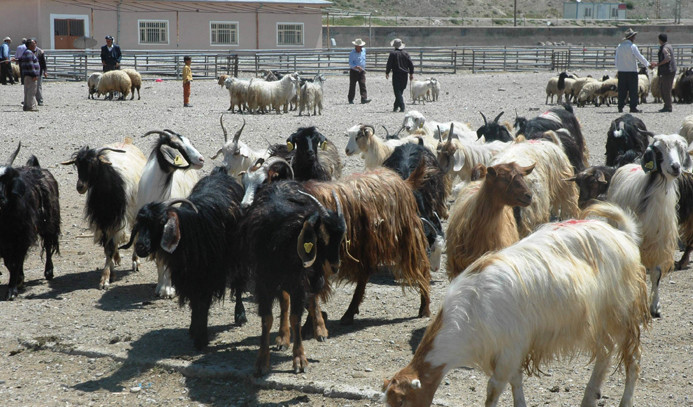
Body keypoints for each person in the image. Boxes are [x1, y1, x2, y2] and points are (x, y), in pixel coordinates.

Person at [615, 28, 650, 113]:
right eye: (634, 36)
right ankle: (633, 107)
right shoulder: (632, 47)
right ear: (631, 37)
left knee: (622, 90)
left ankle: (620, 106)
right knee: (633, 90)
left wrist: (619, 68)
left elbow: (616, 59)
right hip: (632, 71)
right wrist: (648, 65)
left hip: (622, 72)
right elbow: (639, 57)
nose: (635, 38)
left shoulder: (619, 46)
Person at [385, 38, 414, 113]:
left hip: (396, 74)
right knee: (400, 91)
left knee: (397, 91)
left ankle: (402, 106)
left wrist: (387, 72)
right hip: (404, 74)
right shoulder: (406, 53)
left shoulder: (393, 54)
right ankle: (395, 106)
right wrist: (411, 73)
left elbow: (389, 64)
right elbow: (411, 64)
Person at [650, 33, 676, 113]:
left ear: (660, 40)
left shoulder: (664, 48)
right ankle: (666, 105)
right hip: (669, 71)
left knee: (666, 89)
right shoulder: (669, 46)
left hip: (667, 71)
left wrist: (658, 64)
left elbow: (667, 58)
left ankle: (668, 106)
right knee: (663, 88)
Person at [18, 38, 40, 112]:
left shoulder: (26, 52)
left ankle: (26, 106)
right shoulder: (29, 53)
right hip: (30, 75)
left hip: (27, 75)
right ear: (30, 45)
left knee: (27, 91)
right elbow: (30, 65)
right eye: (34, 44)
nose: (35, 45)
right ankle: (30, 106)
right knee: (31, 91)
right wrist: (34, 75)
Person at [348, 38, 370, 104]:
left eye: (361, 46)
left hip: (361, 71)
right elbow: (350, 63)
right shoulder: (352, 53)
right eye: (359, 46)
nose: (360, 47)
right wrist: (357, 67)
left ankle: (364, 98)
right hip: (354, 71)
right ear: (356, 46)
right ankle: (351, 99)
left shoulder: (364, 51)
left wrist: (362, 67)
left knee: (362, 84)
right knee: (352, 85)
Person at [34, 40, 48, 106]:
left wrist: (45, 71)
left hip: (38, 71)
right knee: (29, 86)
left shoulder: (40, 52)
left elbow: (43, 62)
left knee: (38, 86)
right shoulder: (28, 51)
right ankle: (29, 100)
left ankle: (40, 100)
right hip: (30, 71)